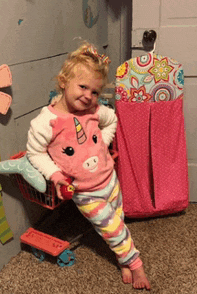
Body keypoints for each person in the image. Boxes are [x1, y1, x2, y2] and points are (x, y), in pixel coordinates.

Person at [26, 41, 151, 290]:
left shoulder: (94, 110)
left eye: (94, 91)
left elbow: (111, 120)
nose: (88, 96)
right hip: (86, 192)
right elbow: (34, 153)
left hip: (110, 179)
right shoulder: (46, 122)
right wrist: (55, 174)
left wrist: (102, 145)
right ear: (63, 81)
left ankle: (121, 257)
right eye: (82, 87)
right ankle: (136, 264)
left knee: (117, 221)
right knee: (113, 229)